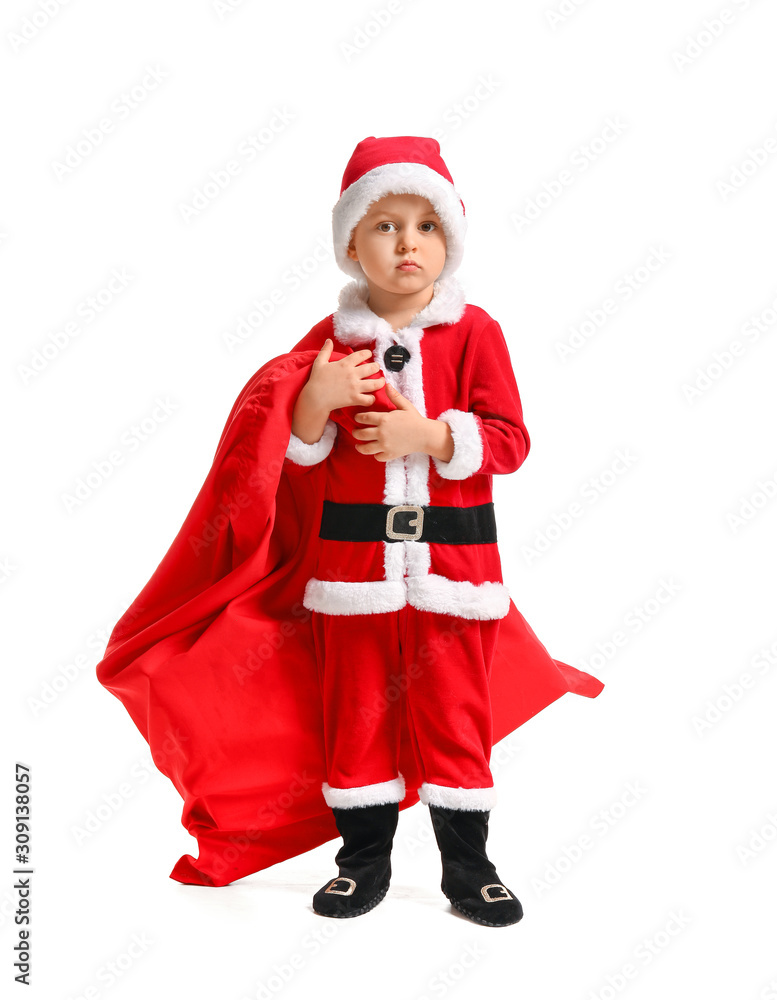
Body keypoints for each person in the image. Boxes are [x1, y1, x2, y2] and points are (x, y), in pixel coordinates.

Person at [95, 134, 604, 927]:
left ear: (451, 239)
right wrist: (313, 400)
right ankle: (360, 862)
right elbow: (290, 462)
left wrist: (432, 438)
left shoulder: (476, 334)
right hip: (352, 571)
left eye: (425, 226)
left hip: (453, 569)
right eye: (384, 225)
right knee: (356, 714)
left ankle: (468, 869)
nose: (407, 242)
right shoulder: (329, 345)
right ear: (350, 245)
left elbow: (507, 441)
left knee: (454, 715)